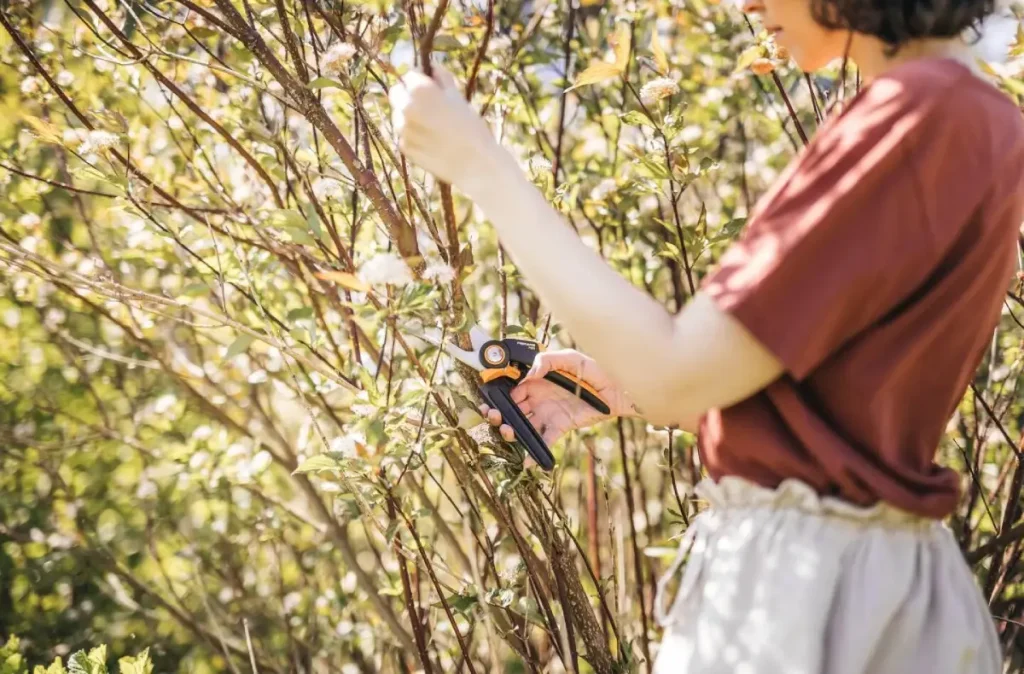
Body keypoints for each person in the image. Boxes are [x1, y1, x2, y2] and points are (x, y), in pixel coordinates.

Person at [388, 0, 1024, 667]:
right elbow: (851, 400)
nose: (748, 4)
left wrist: (484, 170)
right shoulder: (980, 118)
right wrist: (629, 387)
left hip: (809, 600)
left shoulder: (911, 120)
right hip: (879, 586)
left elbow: (677, 373)